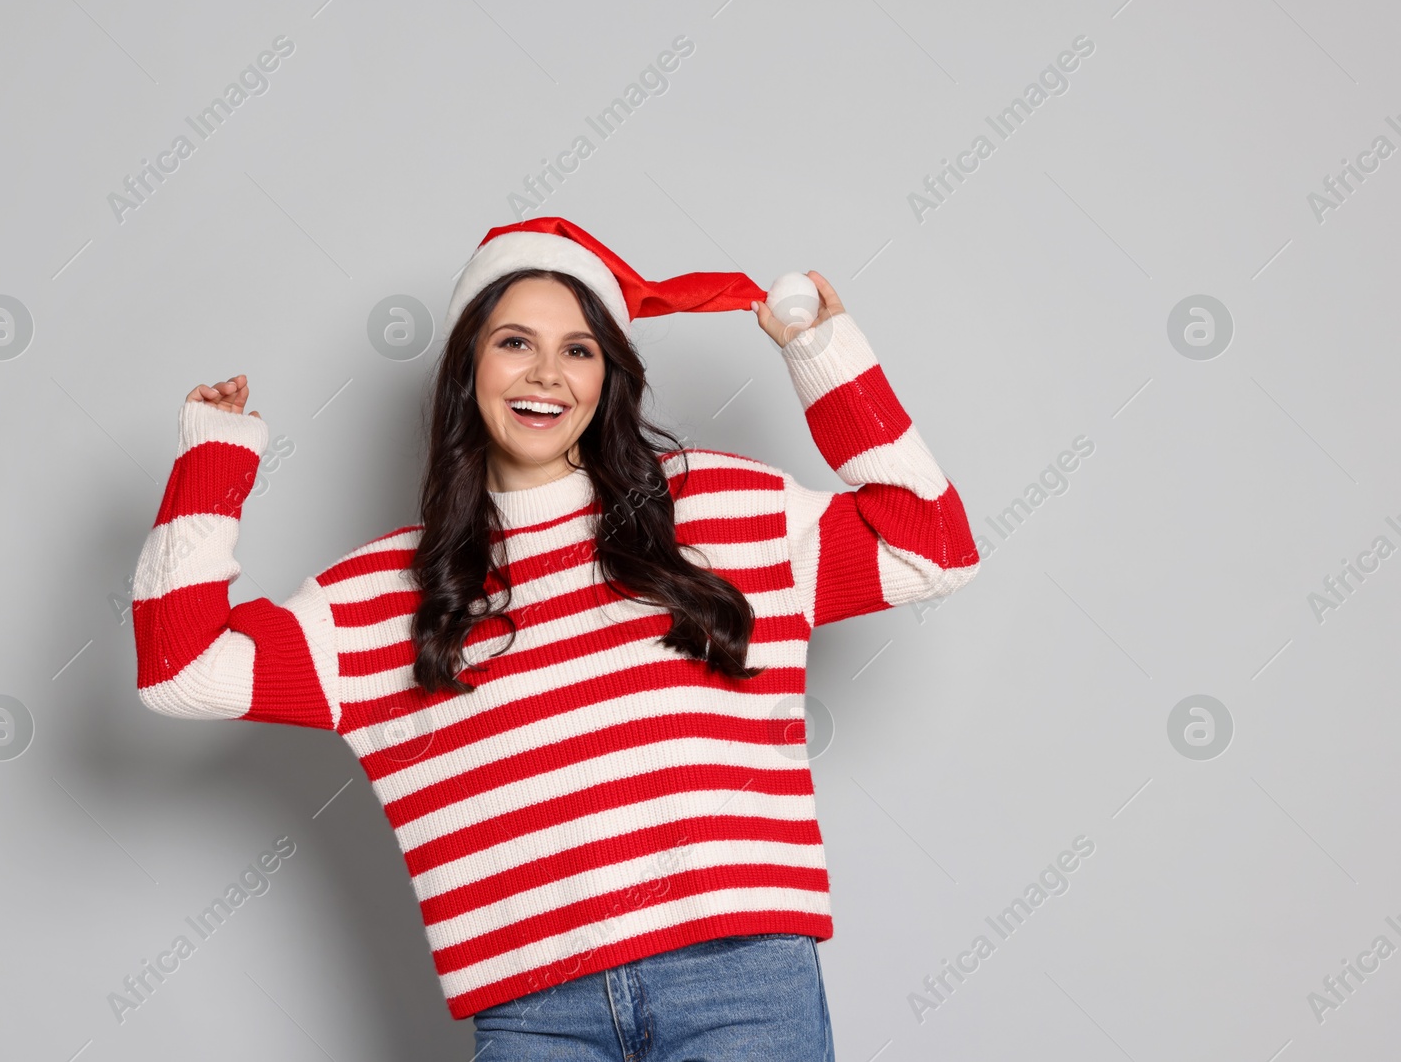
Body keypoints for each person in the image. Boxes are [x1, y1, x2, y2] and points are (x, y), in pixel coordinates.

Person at [130, 217, 981, 1060]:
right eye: (514, 342)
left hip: (742, 986)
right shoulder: (386, 594)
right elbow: (181, 668)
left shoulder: (722, 509)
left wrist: (822, 352)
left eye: (578, 348)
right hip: (537, 1016)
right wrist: (213, 459)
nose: (547, 373)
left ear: (609, 374)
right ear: (468, 365)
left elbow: (933, 546)